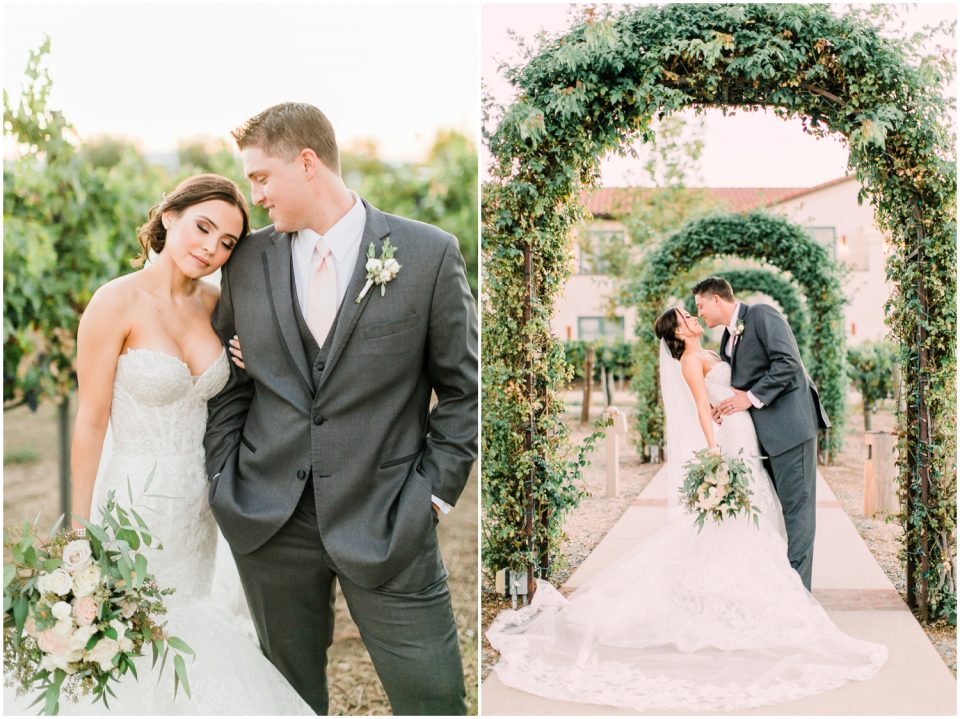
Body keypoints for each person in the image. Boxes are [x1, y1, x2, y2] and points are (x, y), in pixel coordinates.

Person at [203, 102, 478, 715]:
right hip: (269, 518)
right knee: (287, 700)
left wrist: (431, 497)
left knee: (433, 697)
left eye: (261, 177)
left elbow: (463, 392)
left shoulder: (428, 254)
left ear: (307, 163)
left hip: (387, 516)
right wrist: (226, 475)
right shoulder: (247, 261)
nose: (258, 195)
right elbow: (227, 378)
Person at [4, 175, 313, 715]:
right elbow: (91, 423)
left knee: (196, 623)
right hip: (132, 501)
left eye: (227, 243)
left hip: (204, 502)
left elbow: (252, 391)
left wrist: (251, 360)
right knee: (133, 631)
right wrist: (78, 532)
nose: (211, 248)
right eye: (203, 227)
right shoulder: (114, 302)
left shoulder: (220, 305)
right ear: (169, 217)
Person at [485, 305, 885, 713]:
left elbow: (742, 385)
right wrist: (714, 454)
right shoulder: (692, 361)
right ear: (678, 333)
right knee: (740, 523)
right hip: (730, 444)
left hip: (749, 435)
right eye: (685, 316)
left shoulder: (718, 349)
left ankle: (756, 593)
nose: (693, 317)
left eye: (693, 312)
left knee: (761, 517)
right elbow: (699, 407)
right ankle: (754, 598)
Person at [693, 276, 828, 590]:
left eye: (701, 306)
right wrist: (725, 404)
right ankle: (783, 587)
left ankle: (800, 595)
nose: (700, 314)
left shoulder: (762, 315)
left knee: (797, 512)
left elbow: (788, 362)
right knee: (777, 512)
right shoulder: (726, 341)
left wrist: (748, 398)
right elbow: (740, 381)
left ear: (716, 299)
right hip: (762, 437)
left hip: (791, 429)